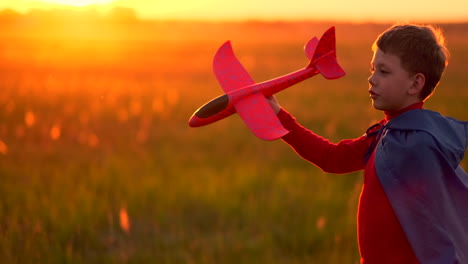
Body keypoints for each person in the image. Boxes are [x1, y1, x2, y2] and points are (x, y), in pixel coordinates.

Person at [267, 24, 468, 264]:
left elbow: (434, 227)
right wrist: (278, 115)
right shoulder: (386, 135)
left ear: (415, 84)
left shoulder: (417, 145)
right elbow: (332, 158)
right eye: (373, 69)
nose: (371, 79)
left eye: (383, 71)